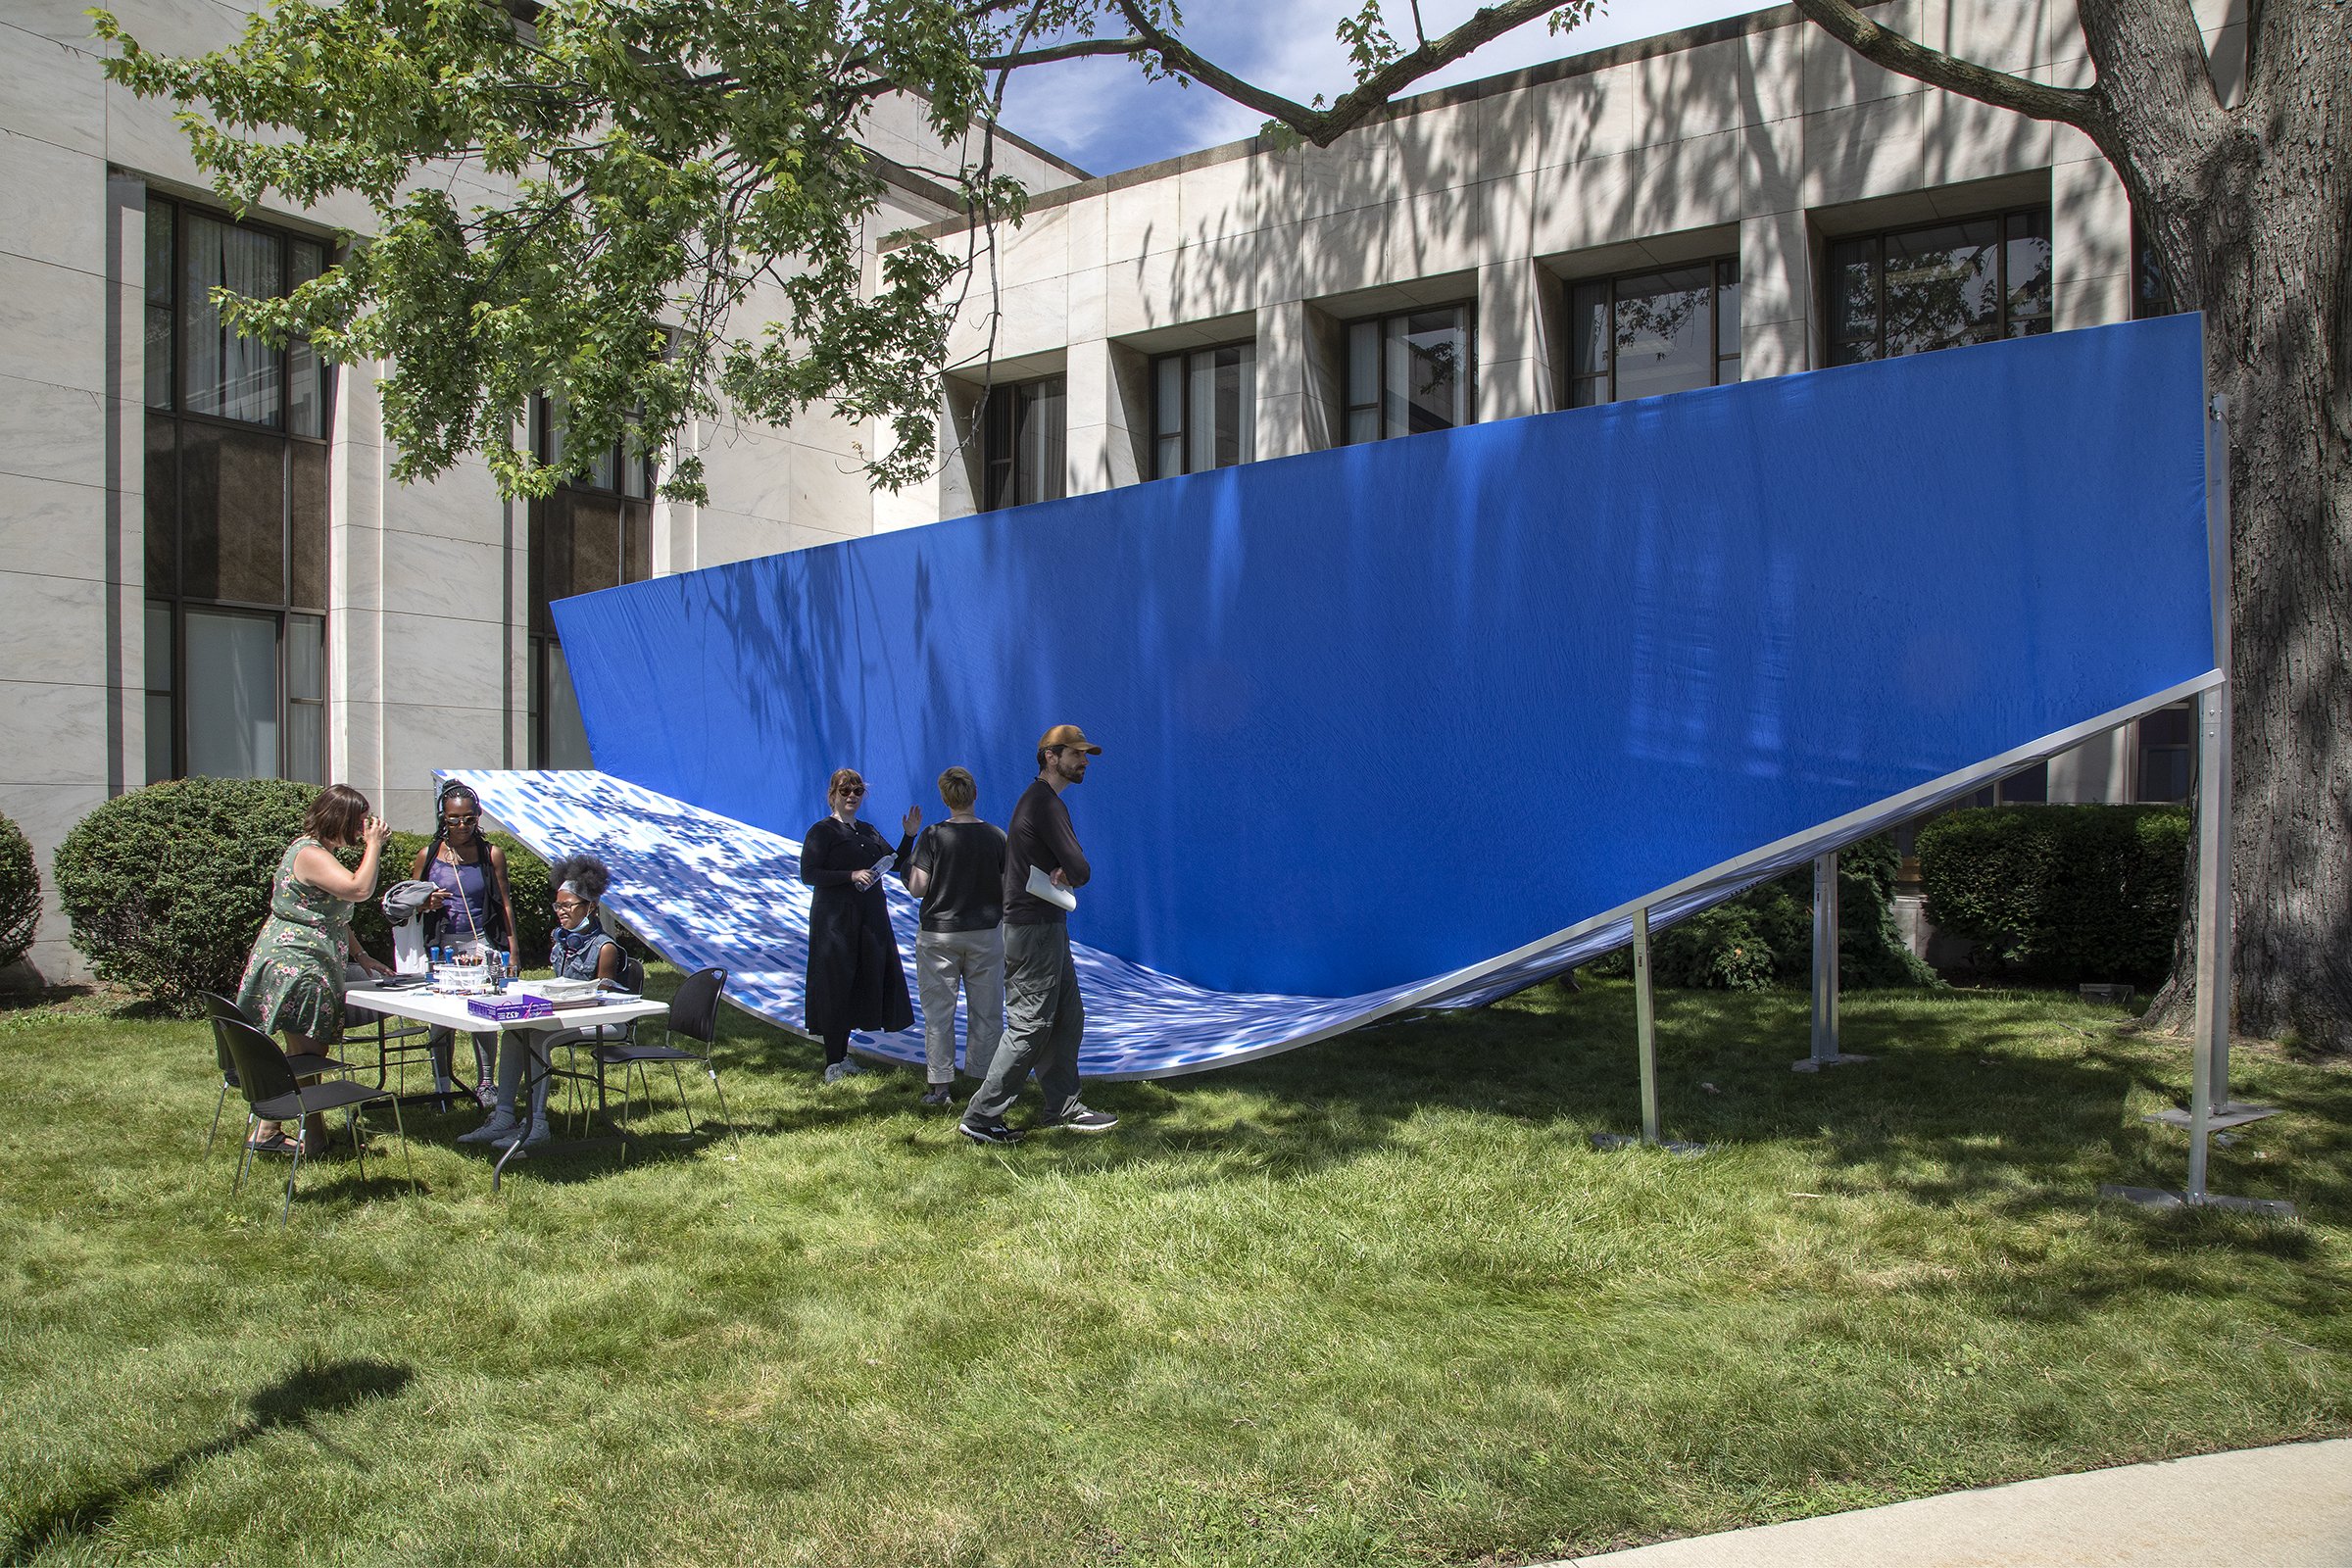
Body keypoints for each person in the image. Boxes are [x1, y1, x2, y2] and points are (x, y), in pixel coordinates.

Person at [960, 726, 1118, 1145]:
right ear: (1051, 756)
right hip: (1034, 930)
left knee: (1068, 1016)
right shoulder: (1046, 804)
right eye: (1077, 754)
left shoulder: (1042, 801)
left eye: (1086, 754)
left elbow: (1066, 866)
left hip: (1044, 926)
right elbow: (1080, 869)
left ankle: (1063, 1107)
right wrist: (1073, 870)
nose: (1084, 761)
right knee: (1031, 1024)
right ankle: (981, 1117)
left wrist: (1068, 869)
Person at [235, 784, 395, 1152]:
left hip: (305, 960)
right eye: (358, 822)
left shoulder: (318, 852)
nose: (361, 829)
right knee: (307, 1055)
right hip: (299, 965)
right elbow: (357, 890)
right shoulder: (310, 853)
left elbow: (332, 915)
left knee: (306, 1054)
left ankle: (294, 1134)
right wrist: (374, 846)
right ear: (337, 818)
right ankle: (284, 1133)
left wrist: (362, 956)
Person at [460, 853, 626, 1152]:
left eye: (568, 906)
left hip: (601, 1022)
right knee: (514, 1033)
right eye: (558, 906)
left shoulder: (605, 948)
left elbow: (603, 1001)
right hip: (566, 1014)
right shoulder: (561, 941)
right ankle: (504, 1115)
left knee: (537, 1037)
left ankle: (537, 1125)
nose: (561, 912)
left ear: (591, 907)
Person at [895, 766, 1006, 1107]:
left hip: (939, 935)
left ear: (945, 799)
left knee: (939, 1013)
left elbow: (917, 888)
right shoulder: (997, 836)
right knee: (987, 1012)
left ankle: (941, 1087)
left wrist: (907, 856)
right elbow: (1008, 889)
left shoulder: (932, 835)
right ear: (975, 795)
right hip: (986, 933)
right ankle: (985, 1085)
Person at [410, 780, 520, 1106]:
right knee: (441, 1017)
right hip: (441, 944)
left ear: (478, 815)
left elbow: (504, 902)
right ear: (443, 818)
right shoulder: (428, 855)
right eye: (453, 819)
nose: (461, 826)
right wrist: (425, 903)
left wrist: (512, 950)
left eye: (468, 819)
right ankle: (442, 1087)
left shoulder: (491, 854)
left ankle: (486, 1084)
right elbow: (410, 899)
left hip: (480, 942)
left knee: (484, 1014)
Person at [800, 768, 913, 1081]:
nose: (851, 797)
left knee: (859, 983)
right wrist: (849, 876)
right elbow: (808, 873)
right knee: (835, 984)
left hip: (869, 918)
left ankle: (844, 1056)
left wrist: (910, 835)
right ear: (832, 794)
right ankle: (832, 1061)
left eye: (857, 792)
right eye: (845, 791)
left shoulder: (868, 830)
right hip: (835, 921)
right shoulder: (822, 831)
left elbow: (896, 863)